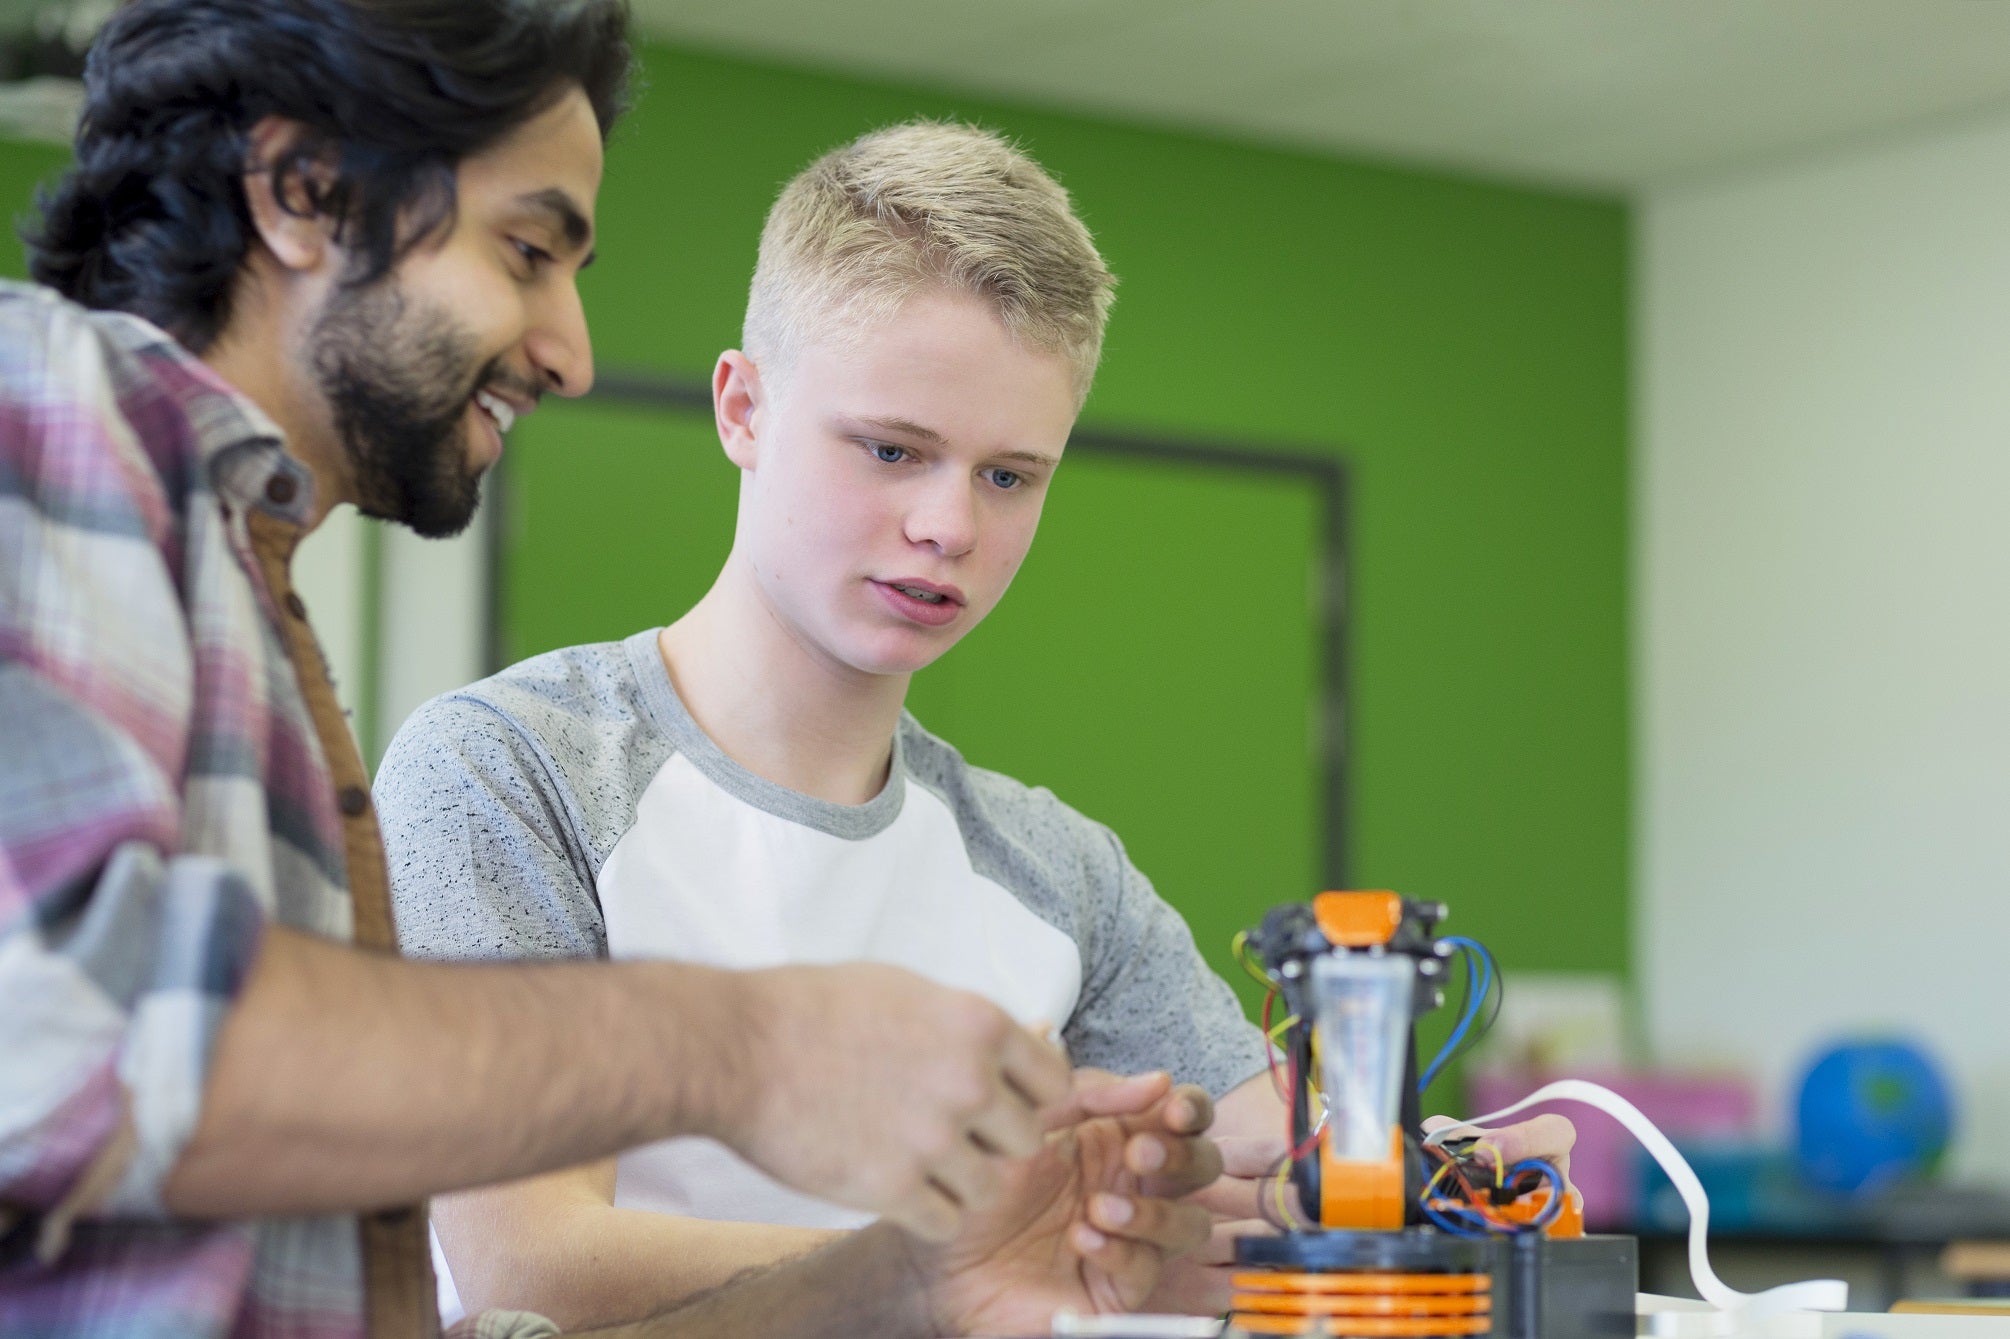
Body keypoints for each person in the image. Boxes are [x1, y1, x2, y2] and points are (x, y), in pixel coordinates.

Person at [0, 3, 1228, 1336]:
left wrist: (909, 1283)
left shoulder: (247, 613)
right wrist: (739, 1047)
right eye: (525, 251)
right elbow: (68, 1031)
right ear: (304, 195)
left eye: (1006, 474)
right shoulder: (49, 412)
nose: (569, 353)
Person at [376, 121, 1577, 1328]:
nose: (949, 524)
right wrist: (958, 1266)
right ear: (742, 408)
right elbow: (527, 1266)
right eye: (894, 450)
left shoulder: (1057, 871)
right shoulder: (509, 772)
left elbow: (1274, 1179)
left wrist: (1440, 1176)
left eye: (1010, 475)